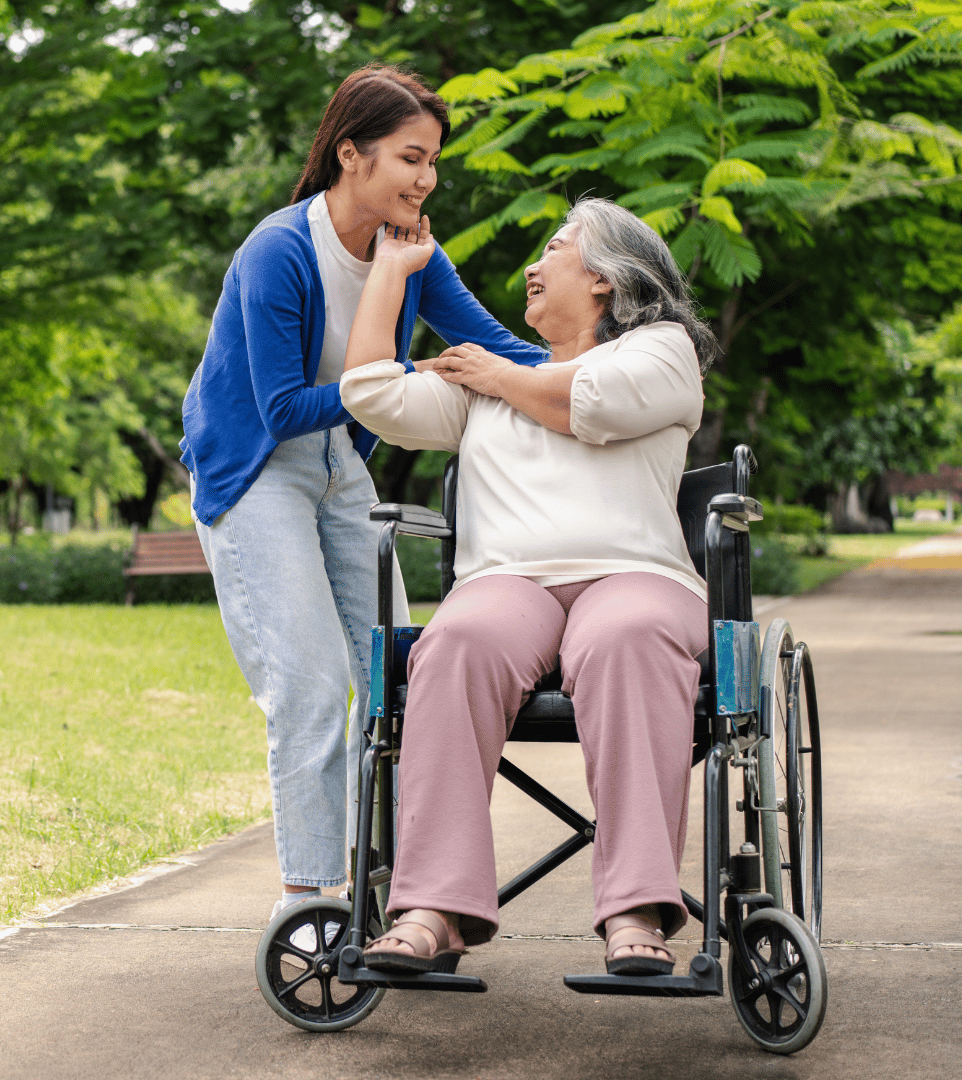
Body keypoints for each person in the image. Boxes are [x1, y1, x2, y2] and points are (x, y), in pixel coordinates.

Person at [179, 65, 546, 922]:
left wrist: (595, 379)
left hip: (340, 461)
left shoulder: (409, 252)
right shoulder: (280, 250)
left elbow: (490, 343)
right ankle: (312, 903)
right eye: (411, 159)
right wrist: (406, 371)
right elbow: (280, 406)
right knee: (308, 686)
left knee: (400, 668)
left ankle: (397, 878)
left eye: (433, 164)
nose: (426, 179)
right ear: (351, 153)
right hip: (255, 463)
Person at [338, 197, 717, 975]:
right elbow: (372, 393)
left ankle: (637, 905)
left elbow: (593, 405)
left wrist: (498, 374)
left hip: (634, 575)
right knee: (456, 642)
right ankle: (432, 906)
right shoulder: (491, 381)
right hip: (508, 582)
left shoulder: (662, 351)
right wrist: (391, 272)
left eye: (552, 250)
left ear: (606, 279)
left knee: (627, 636)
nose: (529, 270)